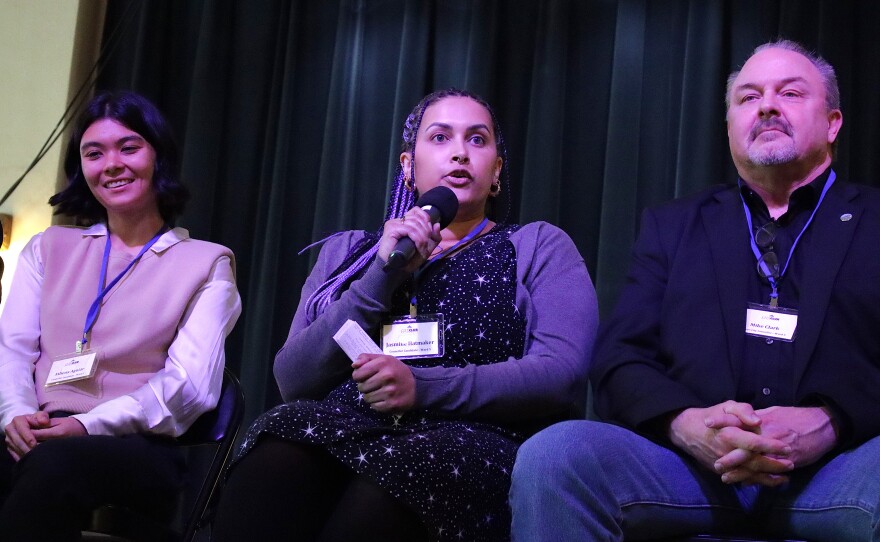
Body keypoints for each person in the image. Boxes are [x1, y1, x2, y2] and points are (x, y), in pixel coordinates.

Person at [510, 39, 880, 541]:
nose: (767, 105)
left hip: (842, 469)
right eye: (748, 98)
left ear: (834, 122)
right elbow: (620, 358)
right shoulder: (673, 226)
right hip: (695, 474)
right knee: (556, 455)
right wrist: (687, 424)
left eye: (789, 93)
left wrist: (829, 421)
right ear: (729, 126)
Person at [213, 88, 597, 542]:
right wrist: (382, 275)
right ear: (408, 167)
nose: (459, 153)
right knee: (276, 443)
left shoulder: (536, 245)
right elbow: (293, 380)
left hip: (471, 437)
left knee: (395, 481)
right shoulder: (349, 252)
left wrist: (421, 388)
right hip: (347, 429)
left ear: (496, 172)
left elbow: (560, 374)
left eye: (477, 140)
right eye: (439, 138)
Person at [0, 90, 242, 540]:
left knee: (51, 467)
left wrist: (85, 425)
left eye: (128, 147)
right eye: (94, 153)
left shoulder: (207, 263)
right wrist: (15, 413)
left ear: (158, 157)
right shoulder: (48, 248)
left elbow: (188, 388)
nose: (111, 164)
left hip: (136, 447)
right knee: (33, 457)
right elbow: (11, 349)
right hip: (37, 427)